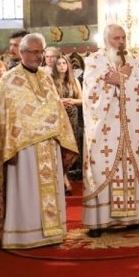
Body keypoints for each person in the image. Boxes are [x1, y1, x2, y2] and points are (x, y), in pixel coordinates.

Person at [0, 33, 77, 249]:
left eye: (41, 52)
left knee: (50, 189)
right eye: (34, 52)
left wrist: (53, 124)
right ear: (22, 53)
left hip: (49, 144)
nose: (39, 56)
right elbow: (1, 115)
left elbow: (53, 106)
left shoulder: (46, 77)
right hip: (23, 148)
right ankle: (25, 234)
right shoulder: (10, 79)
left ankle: (52, 232)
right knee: (26, 190)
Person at [80, 25, 139, 235]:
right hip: (105, 128)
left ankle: (136, 217)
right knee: (102, 170)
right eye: (115, 38)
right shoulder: (94, 60)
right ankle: (98, 221)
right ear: (105, 40)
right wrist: (121, 80)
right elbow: (92, 94)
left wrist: (118, 79)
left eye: (123, 37)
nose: (121, 42)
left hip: (131, 126)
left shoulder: (134, 61)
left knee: (132, 169)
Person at [52, 54, 83, 187]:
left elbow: (82, 100)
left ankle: (64, 175)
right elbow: (48, 99)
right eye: (59, 64)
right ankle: (63, 179)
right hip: (58, 118)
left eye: (64, 63)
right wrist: (59, 102)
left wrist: (72, 101)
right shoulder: (50, 81)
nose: (62, 66)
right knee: (61, 149)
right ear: (55, 66)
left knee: (72, 150)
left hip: (72, 117)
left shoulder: (74, 80)